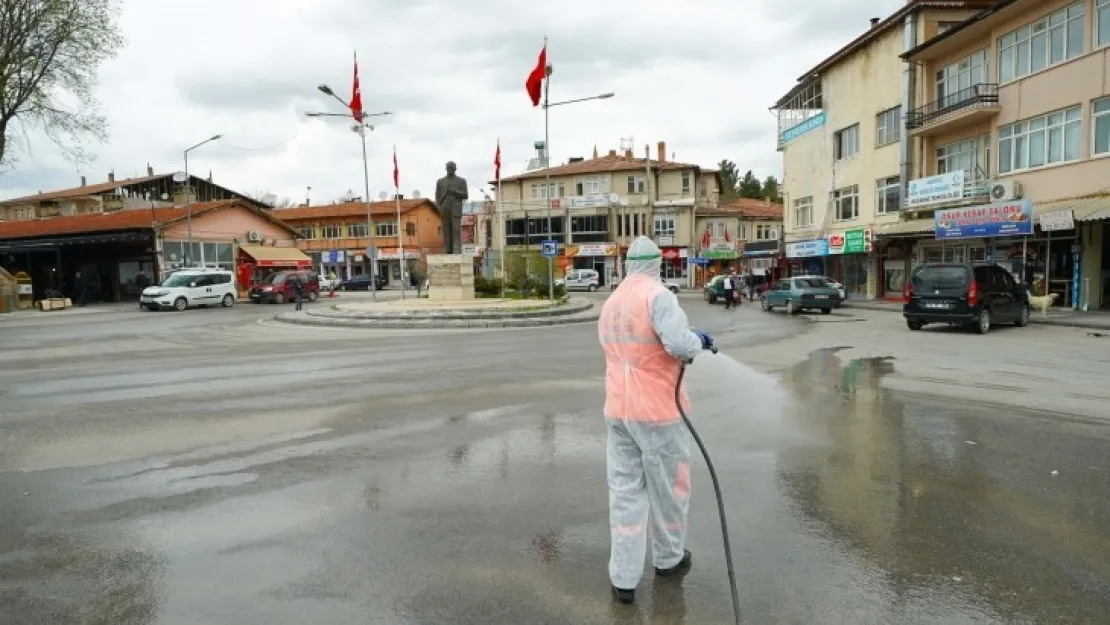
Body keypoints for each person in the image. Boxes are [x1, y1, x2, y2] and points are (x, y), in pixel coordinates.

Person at [597, 236, 713, 605]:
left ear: (629, 263)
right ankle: (669, 559)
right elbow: (678, 344)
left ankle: (623, 579)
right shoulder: (657, 295)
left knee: (625, 494)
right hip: (659, 413)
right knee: (670, 490)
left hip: (619, 411)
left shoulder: (612, 301)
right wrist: (698, 340)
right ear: (656, 264)